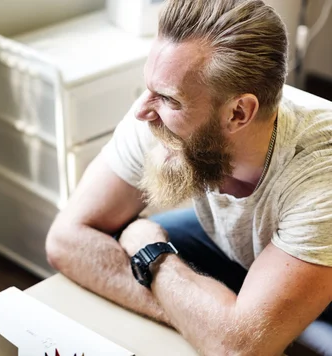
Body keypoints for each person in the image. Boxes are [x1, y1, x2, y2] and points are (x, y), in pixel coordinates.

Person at [46, 0, 332, 354]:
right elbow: (65, 239)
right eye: (150, 88)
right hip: (245, 250)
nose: (143, 111)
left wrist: (153, 255)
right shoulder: (159, 116)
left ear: (238, 112)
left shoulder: (321, 176)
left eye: (168, 99)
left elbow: (238, 349)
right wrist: (198, 316)